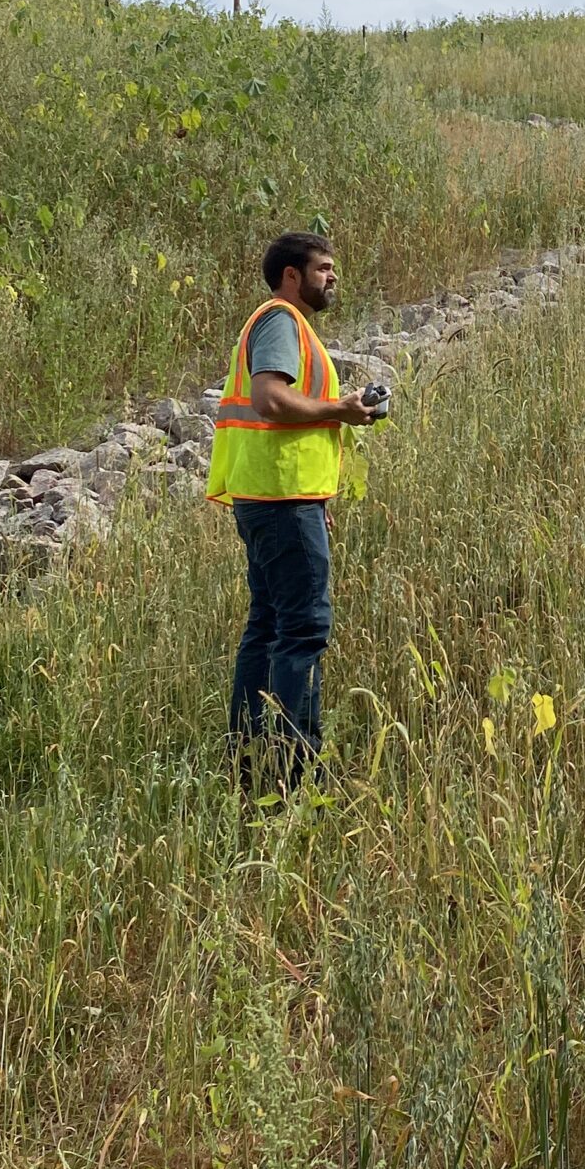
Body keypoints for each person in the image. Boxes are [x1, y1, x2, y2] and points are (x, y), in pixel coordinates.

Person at [205, 231, 380, 790]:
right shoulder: (282, 321)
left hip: (272, 497)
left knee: (267, 627)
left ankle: (248, 756)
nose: (334, 278)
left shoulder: (283, 324)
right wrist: (341, 409)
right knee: (302, 631)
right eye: (324, 268)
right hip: (281, 502)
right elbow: (270, 399)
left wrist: (316, 495)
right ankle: (294, 772)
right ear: (291, 276)